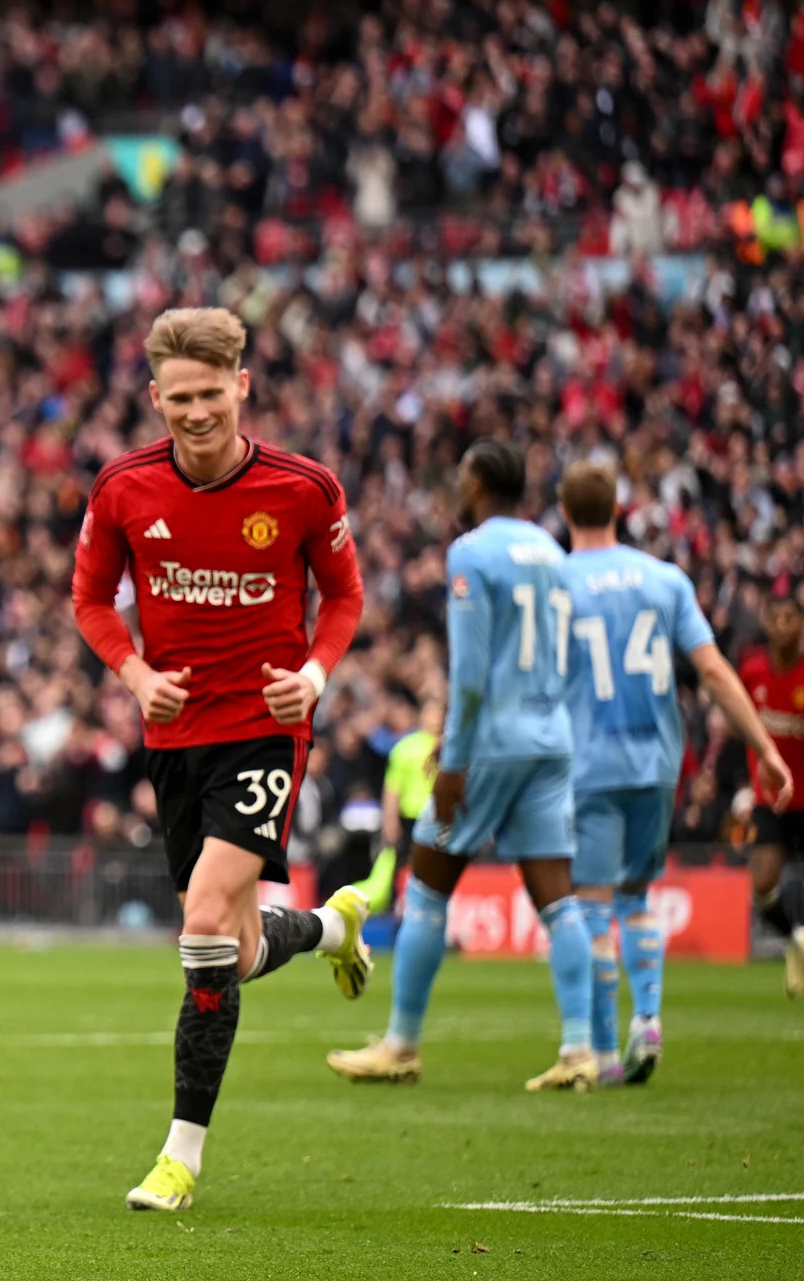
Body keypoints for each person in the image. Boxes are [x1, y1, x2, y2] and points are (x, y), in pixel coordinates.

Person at [72, 306, 371, 1214]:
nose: (195, 413)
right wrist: (132, 674)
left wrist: (316, 675)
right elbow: (89, 598)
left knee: (201, 922)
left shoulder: (304, 487)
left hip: (264, 729)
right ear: (154, 395)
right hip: (175, 738)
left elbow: (345, 594)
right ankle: (327, 929)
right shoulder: (123, 488)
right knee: (231, 953)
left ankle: (180, 1158)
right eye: (178, 397)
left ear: (241, 386)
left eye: (211, 394)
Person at [327, 441, 592, 1091]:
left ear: (476, 483)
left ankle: (401, 1044)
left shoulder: (472, 552)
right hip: (550, 737)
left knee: (427, 883)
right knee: (557, 896)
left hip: (494, 739)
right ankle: (582, 1049)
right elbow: (572, 655)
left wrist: (454, 757)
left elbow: (470, 674)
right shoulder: (555, 554)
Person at [557, 461, 793, 1084]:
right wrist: (764, 747)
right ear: (618, 509)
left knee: (594, 904)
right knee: (637, 898)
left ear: (564, 511)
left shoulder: (557, 582)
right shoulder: (665, 580)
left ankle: (605, 1054)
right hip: (658, 765)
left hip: (591, 764)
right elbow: (713, 670)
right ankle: (650, 1022)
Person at [738, 588, 804, 997]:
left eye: (790, 619)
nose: (782, 626)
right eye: (775, 618)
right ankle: (795, 940)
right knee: (761, 885)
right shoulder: (751, 671)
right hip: (769, 800)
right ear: (765, 623)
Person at [351, 696, 443, 915]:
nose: (434, 718)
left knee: (434, 871)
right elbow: (393, 789)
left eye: (438, 713)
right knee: (399, 868)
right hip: (410, 817)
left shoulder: (447, 747)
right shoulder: (405, 747)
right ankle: (396, 913)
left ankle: (426, 912)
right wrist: (390, 821)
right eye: (430, 712)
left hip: (439, 818)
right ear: (422, 715)